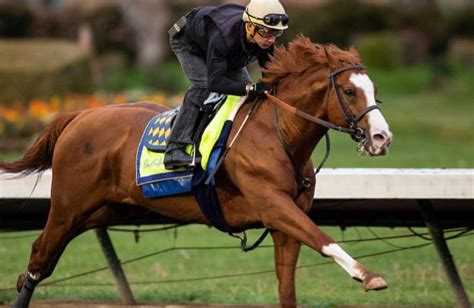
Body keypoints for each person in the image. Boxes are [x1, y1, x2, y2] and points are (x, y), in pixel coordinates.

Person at [163, 0, 289, 170]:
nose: (271, 39)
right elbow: (216, 82)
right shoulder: (224, 37)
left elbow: (271, 77)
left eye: (276, 33)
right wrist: (251, 89)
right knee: (203, 86)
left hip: (225, 49)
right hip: (188, 41)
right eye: (267, 32)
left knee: (251, 94)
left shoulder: (264, 39)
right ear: (250, 26)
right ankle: (174, 149)